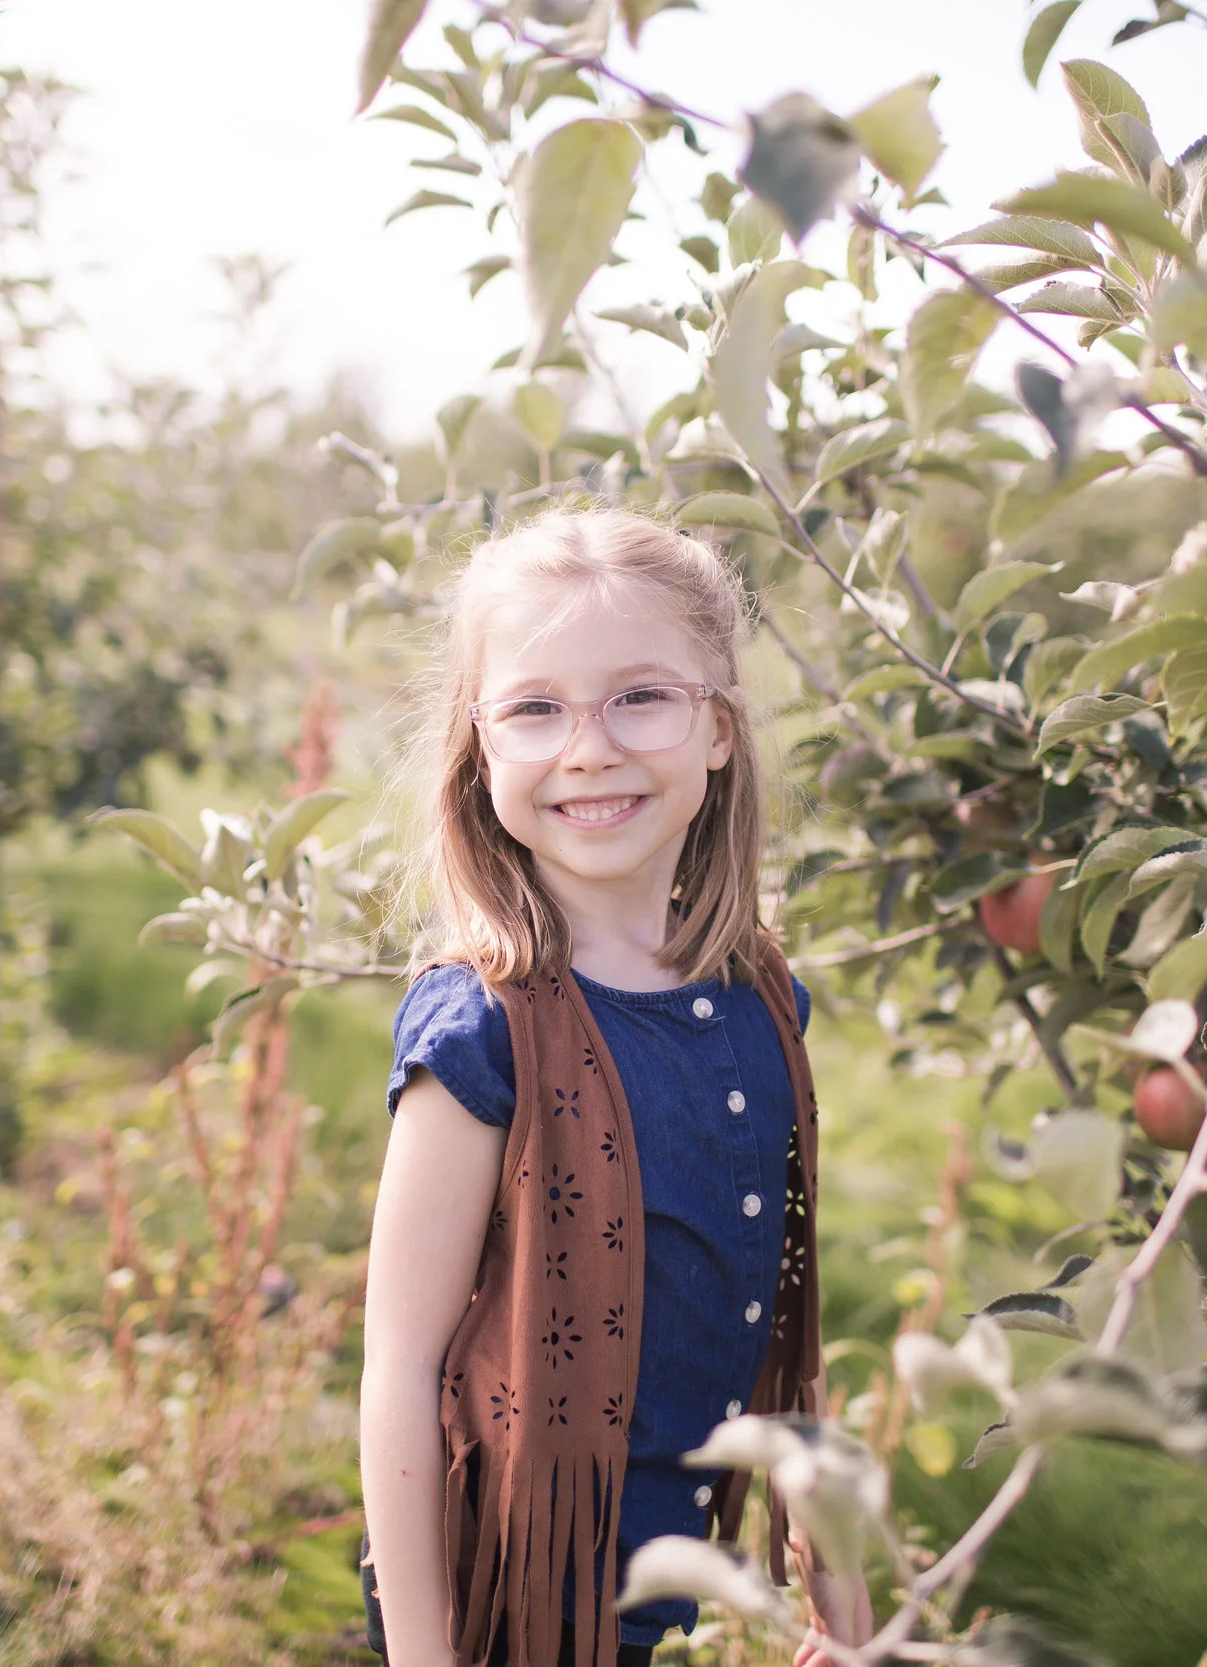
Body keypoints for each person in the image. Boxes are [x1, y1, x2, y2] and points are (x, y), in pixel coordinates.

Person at [358, 508, 871, 1667]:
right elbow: (399, 1368)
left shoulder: (759, 999)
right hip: (508, 1596)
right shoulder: (484, 1028)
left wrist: (843, 1597)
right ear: (479, 749)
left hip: (685, 1592)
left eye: (639, 697)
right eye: (535, 708)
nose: (587, 748)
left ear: (721, 731)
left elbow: (777, 1325)